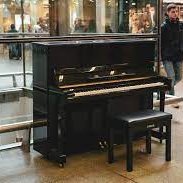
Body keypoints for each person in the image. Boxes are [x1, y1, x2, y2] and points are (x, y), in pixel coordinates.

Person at [161, 4, 183, 106]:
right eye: (173, 12)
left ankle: (163, 92)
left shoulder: (180, 25)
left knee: (179, 77)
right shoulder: (164, 27)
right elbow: (161, 43)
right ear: (168, 13)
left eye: (176, 11)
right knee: (172, 78)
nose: (175, 14)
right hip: (167, 56)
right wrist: (160, 58)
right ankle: (172, 100)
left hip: (178, 55)